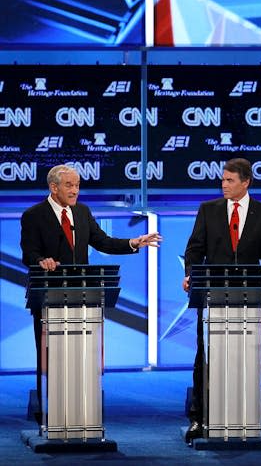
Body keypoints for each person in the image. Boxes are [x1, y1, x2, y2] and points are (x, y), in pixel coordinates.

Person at [20, 164, 162, 425]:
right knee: (50, 360)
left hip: (81, 298)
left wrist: (133, 243)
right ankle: (52, 418)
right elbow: (28, 253)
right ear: (54, 187)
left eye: (77, 185)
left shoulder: (82, 212)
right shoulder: (34, 215)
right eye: (69, 185)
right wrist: (42, 261)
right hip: (48, 298)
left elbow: (103, 241)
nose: (75, 191)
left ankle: (82, 415)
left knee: (82, 360)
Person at [182, 157, 261, 443]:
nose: (223, 185)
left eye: (229, 180)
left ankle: (246, 415)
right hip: (212, 295)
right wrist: (190, 275)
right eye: (223, 180)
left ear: (245, 182)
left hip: (248, 297)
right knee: (205, 356)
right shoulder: (208, 210)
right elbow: (194, 250)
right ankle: (199, 417)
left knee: (248, 353)